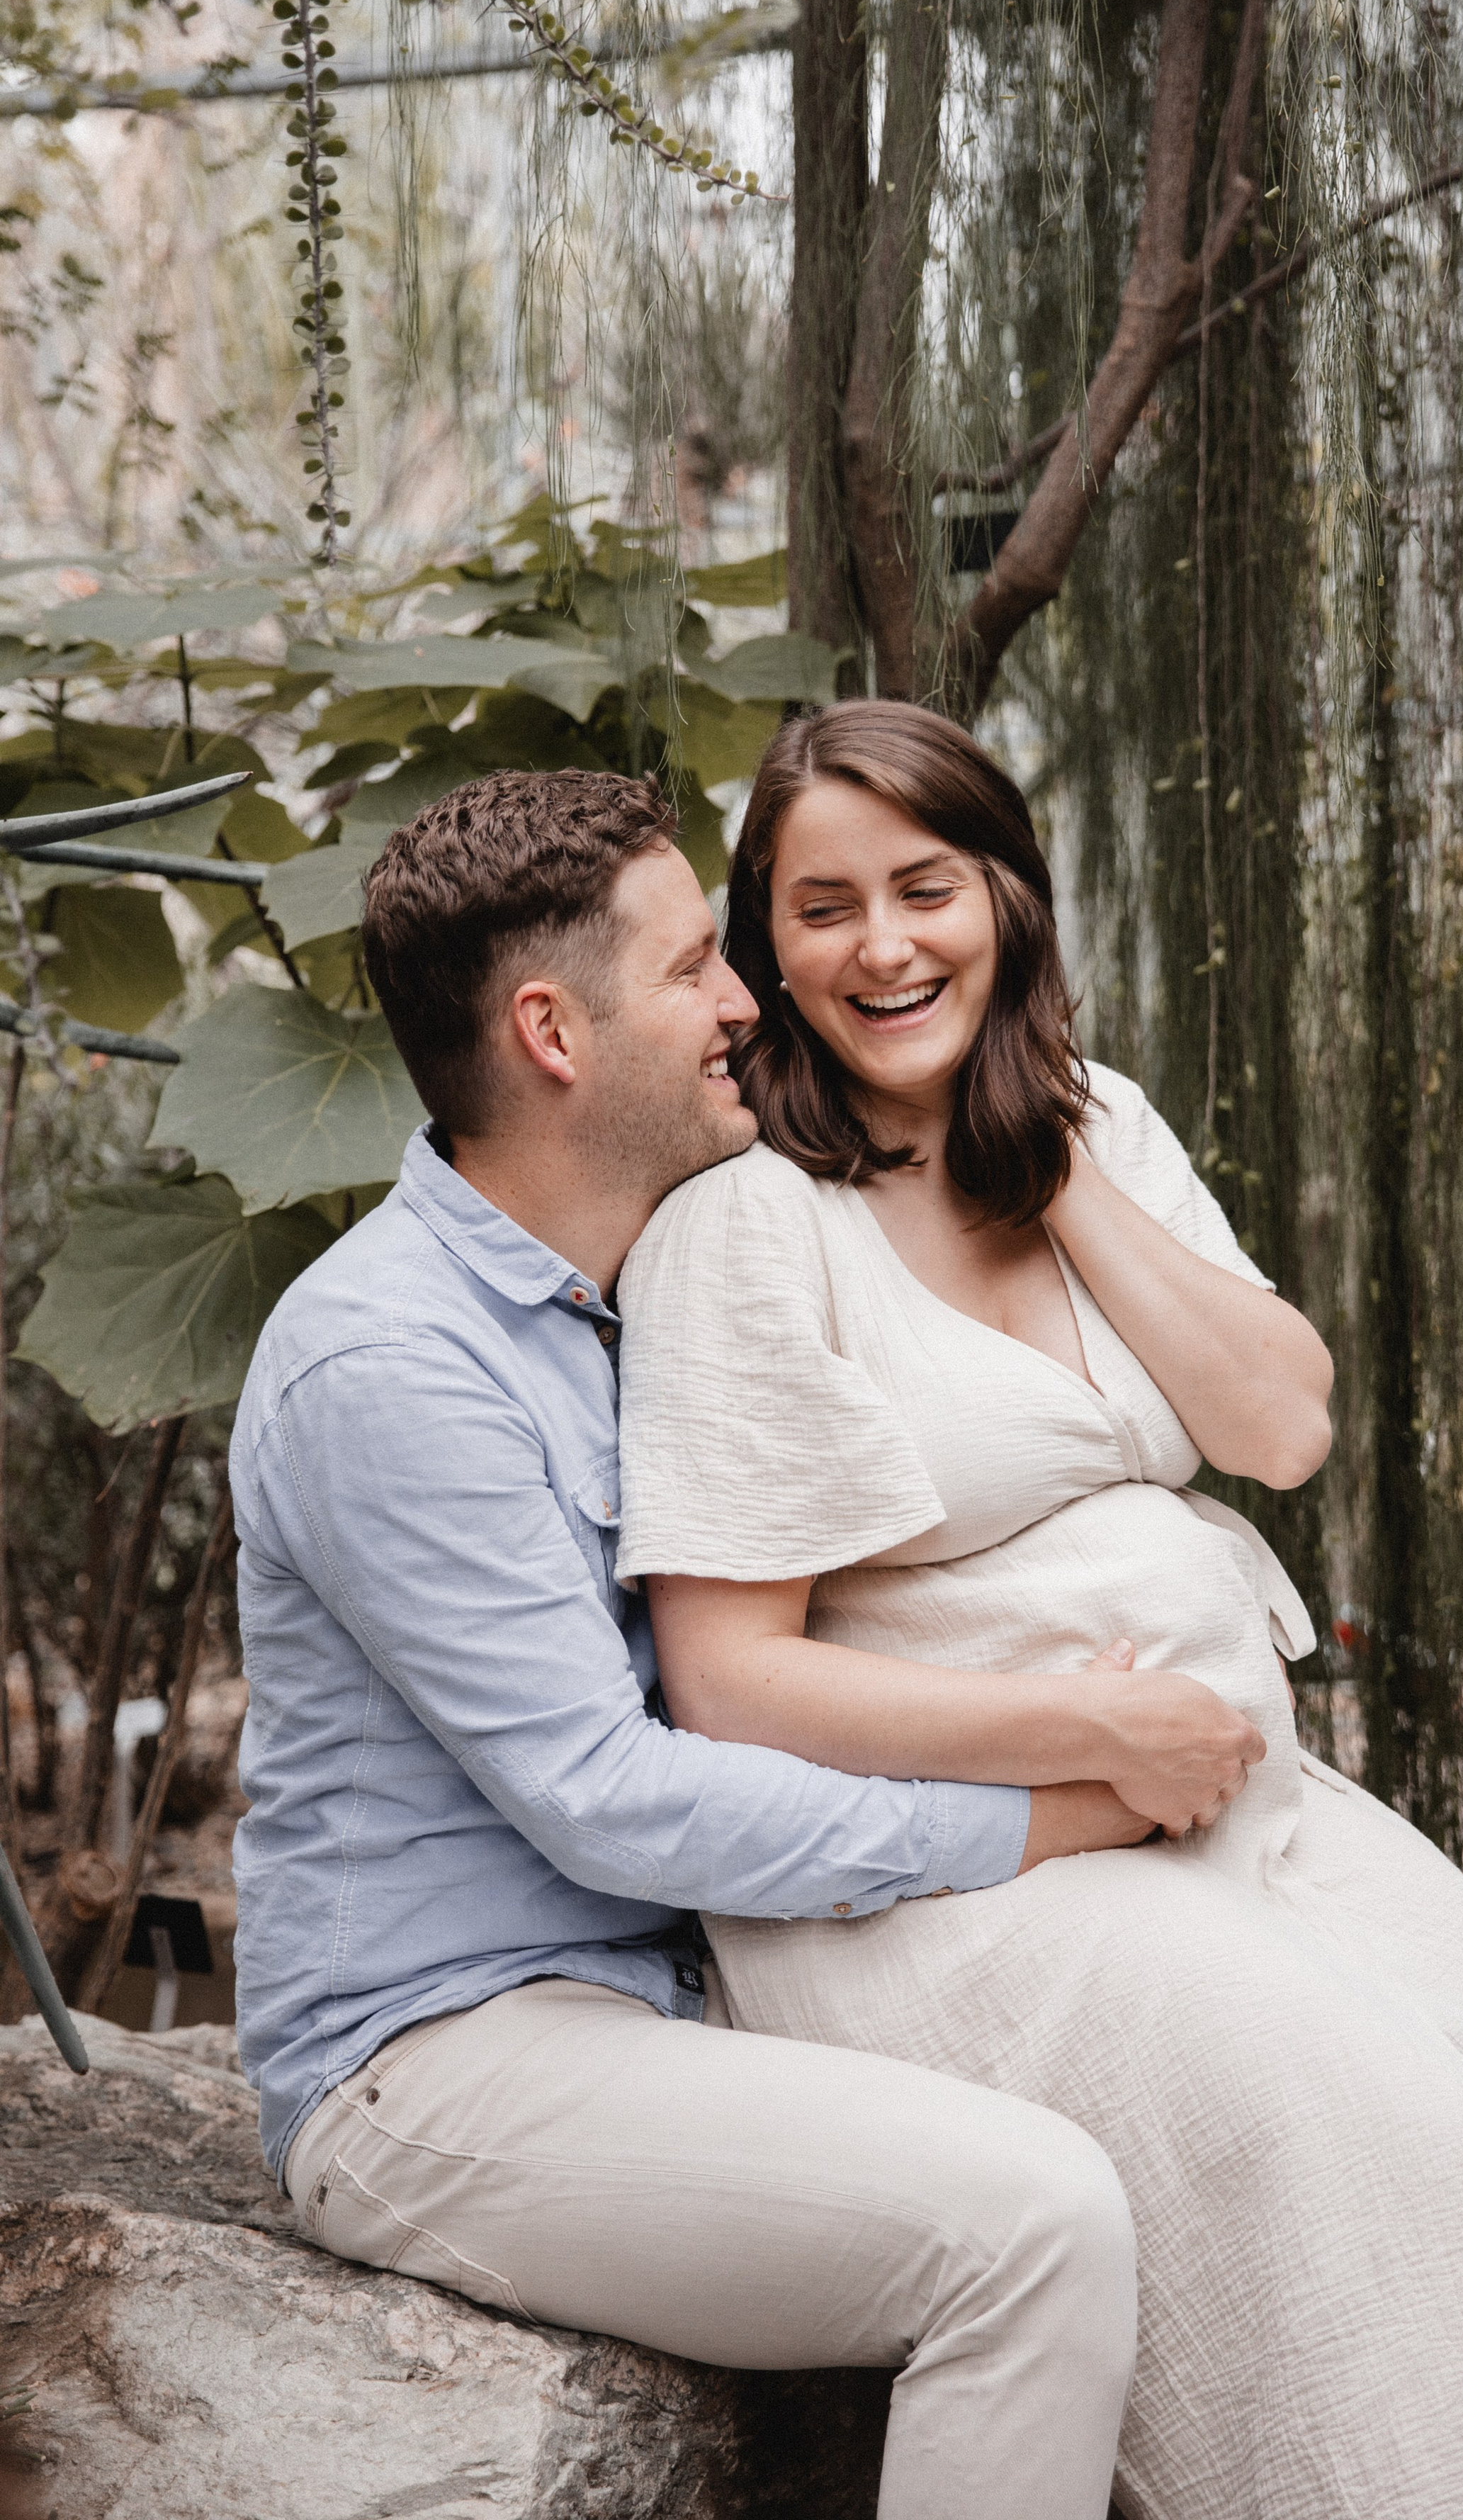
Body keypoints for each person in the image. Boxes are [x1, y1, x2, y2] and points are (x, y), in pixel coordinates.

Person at [617, 699, 1463, 2520]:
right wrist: (1080, 1729)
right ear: (765, 947)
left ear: (1006, 898)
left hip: (1223, 1807)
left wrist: (1049, 1151)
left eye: (926, 890)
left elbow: (1275, 1421)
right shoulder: (749, 1228)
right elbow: (723, 1677)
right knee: (1447, 2211)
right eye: (819, 907)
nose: (880, 948)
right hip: (971, 1875)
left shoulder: (1099, 1129)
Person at [229, 764, 1260, 2520]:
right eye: (696, 964)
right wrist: (1063, 1793)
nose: (743, 1002)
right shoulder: (390, 1365)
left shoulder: (622, 1291)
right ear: (553, 1033)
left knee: (1192, 2084)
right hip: (443, 2057)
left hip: (684, 1993)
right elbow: (610, 1801)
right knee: (1027, 2226)